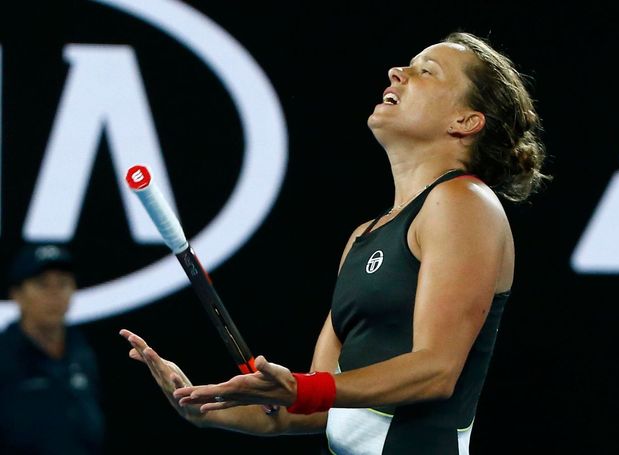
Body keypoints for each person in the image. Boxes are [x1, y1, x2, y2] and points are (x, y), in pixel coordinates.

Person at [120, 31, 550, 454]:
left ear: (465, 121)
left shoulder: (464, 202)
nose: (397, 72)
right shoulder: (364, 236)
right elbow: (319, 408)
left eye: (426, 71)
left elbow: (436, 371)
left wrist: (301, 387)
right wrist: (205, 408)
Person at [0, 243, 105, 454]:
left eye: (63, 283)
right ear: (17, 295)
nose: (54, 294)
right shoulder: (4, 357)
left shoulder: (83, 352)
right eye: (42, 284)